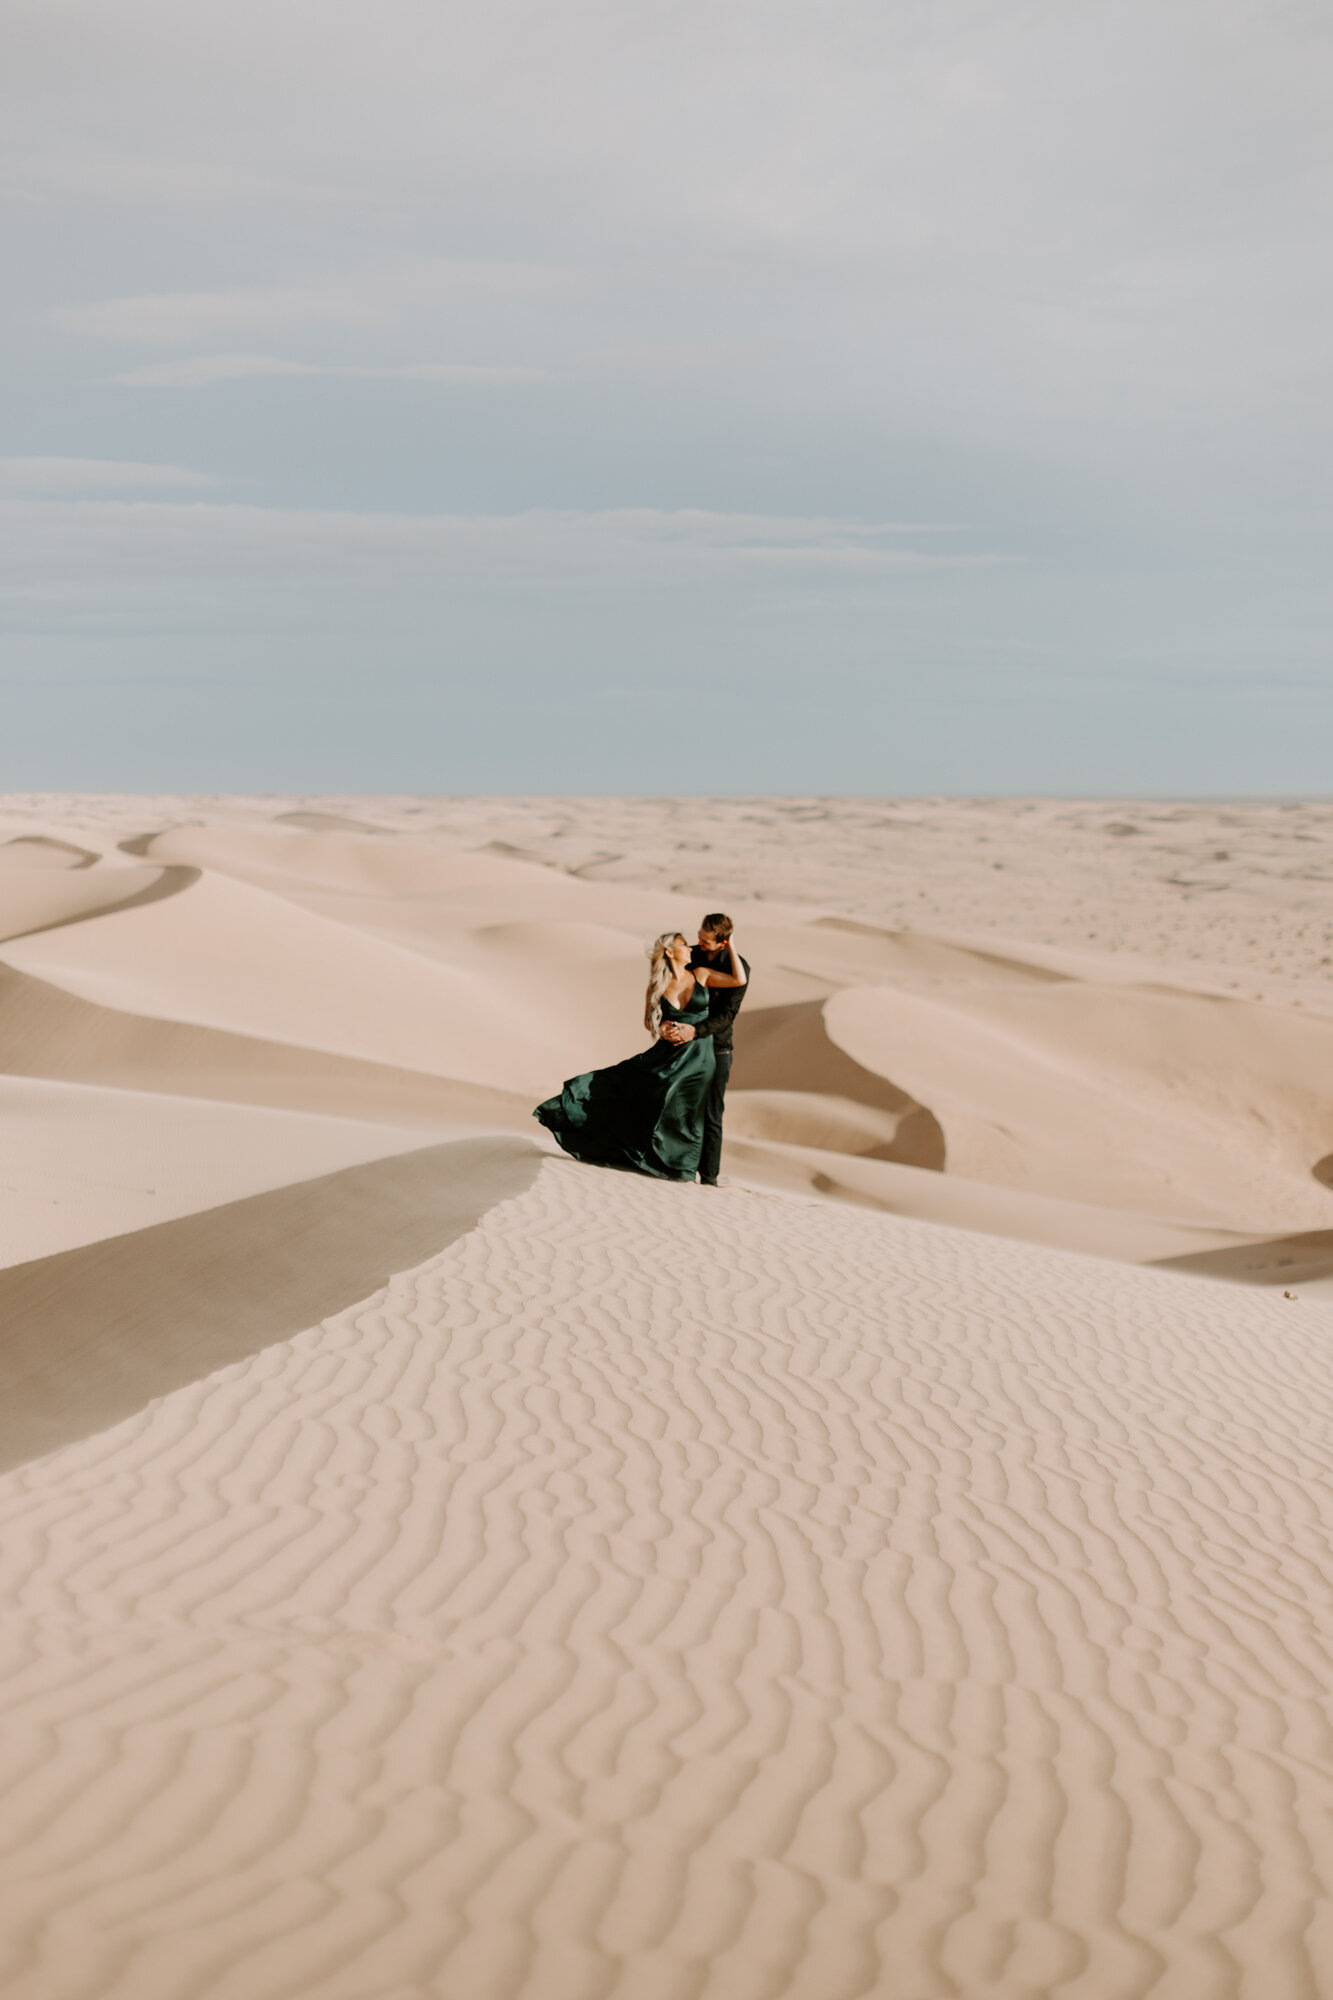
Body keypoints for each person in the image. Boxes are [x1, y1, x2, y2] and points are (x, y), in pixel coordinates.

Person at [534, 928, 747, 1182]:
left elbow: (739, 979)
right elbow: (650, 1022)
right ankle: (667, 1165)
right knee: (644, 1095)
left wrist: (731, 946)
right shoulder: (657, 985)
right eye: (684, 946)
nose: (690, 949)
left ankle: (684, 1171)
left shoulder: (701, 974)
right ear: (670, 952)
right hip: (669, 1055)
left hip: (700, 1057)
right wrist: (663, 1028)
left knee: (690, 1115)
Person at [659, 912, 750, 1187]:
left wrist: (696, 1031)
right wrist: (665, 1024)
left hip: (717, 1046)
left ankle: (709, 1179)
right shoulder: (693, 956)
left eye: (706, 941)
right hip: (681, 1043)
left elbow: (727, 1015)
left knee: (711, 1114)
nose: (699, 943)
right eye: (699, 937)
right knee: (670, 1102)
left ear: (722, 943)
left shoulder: (738, 967)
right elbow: (668, 992)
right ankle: (668, 1164)